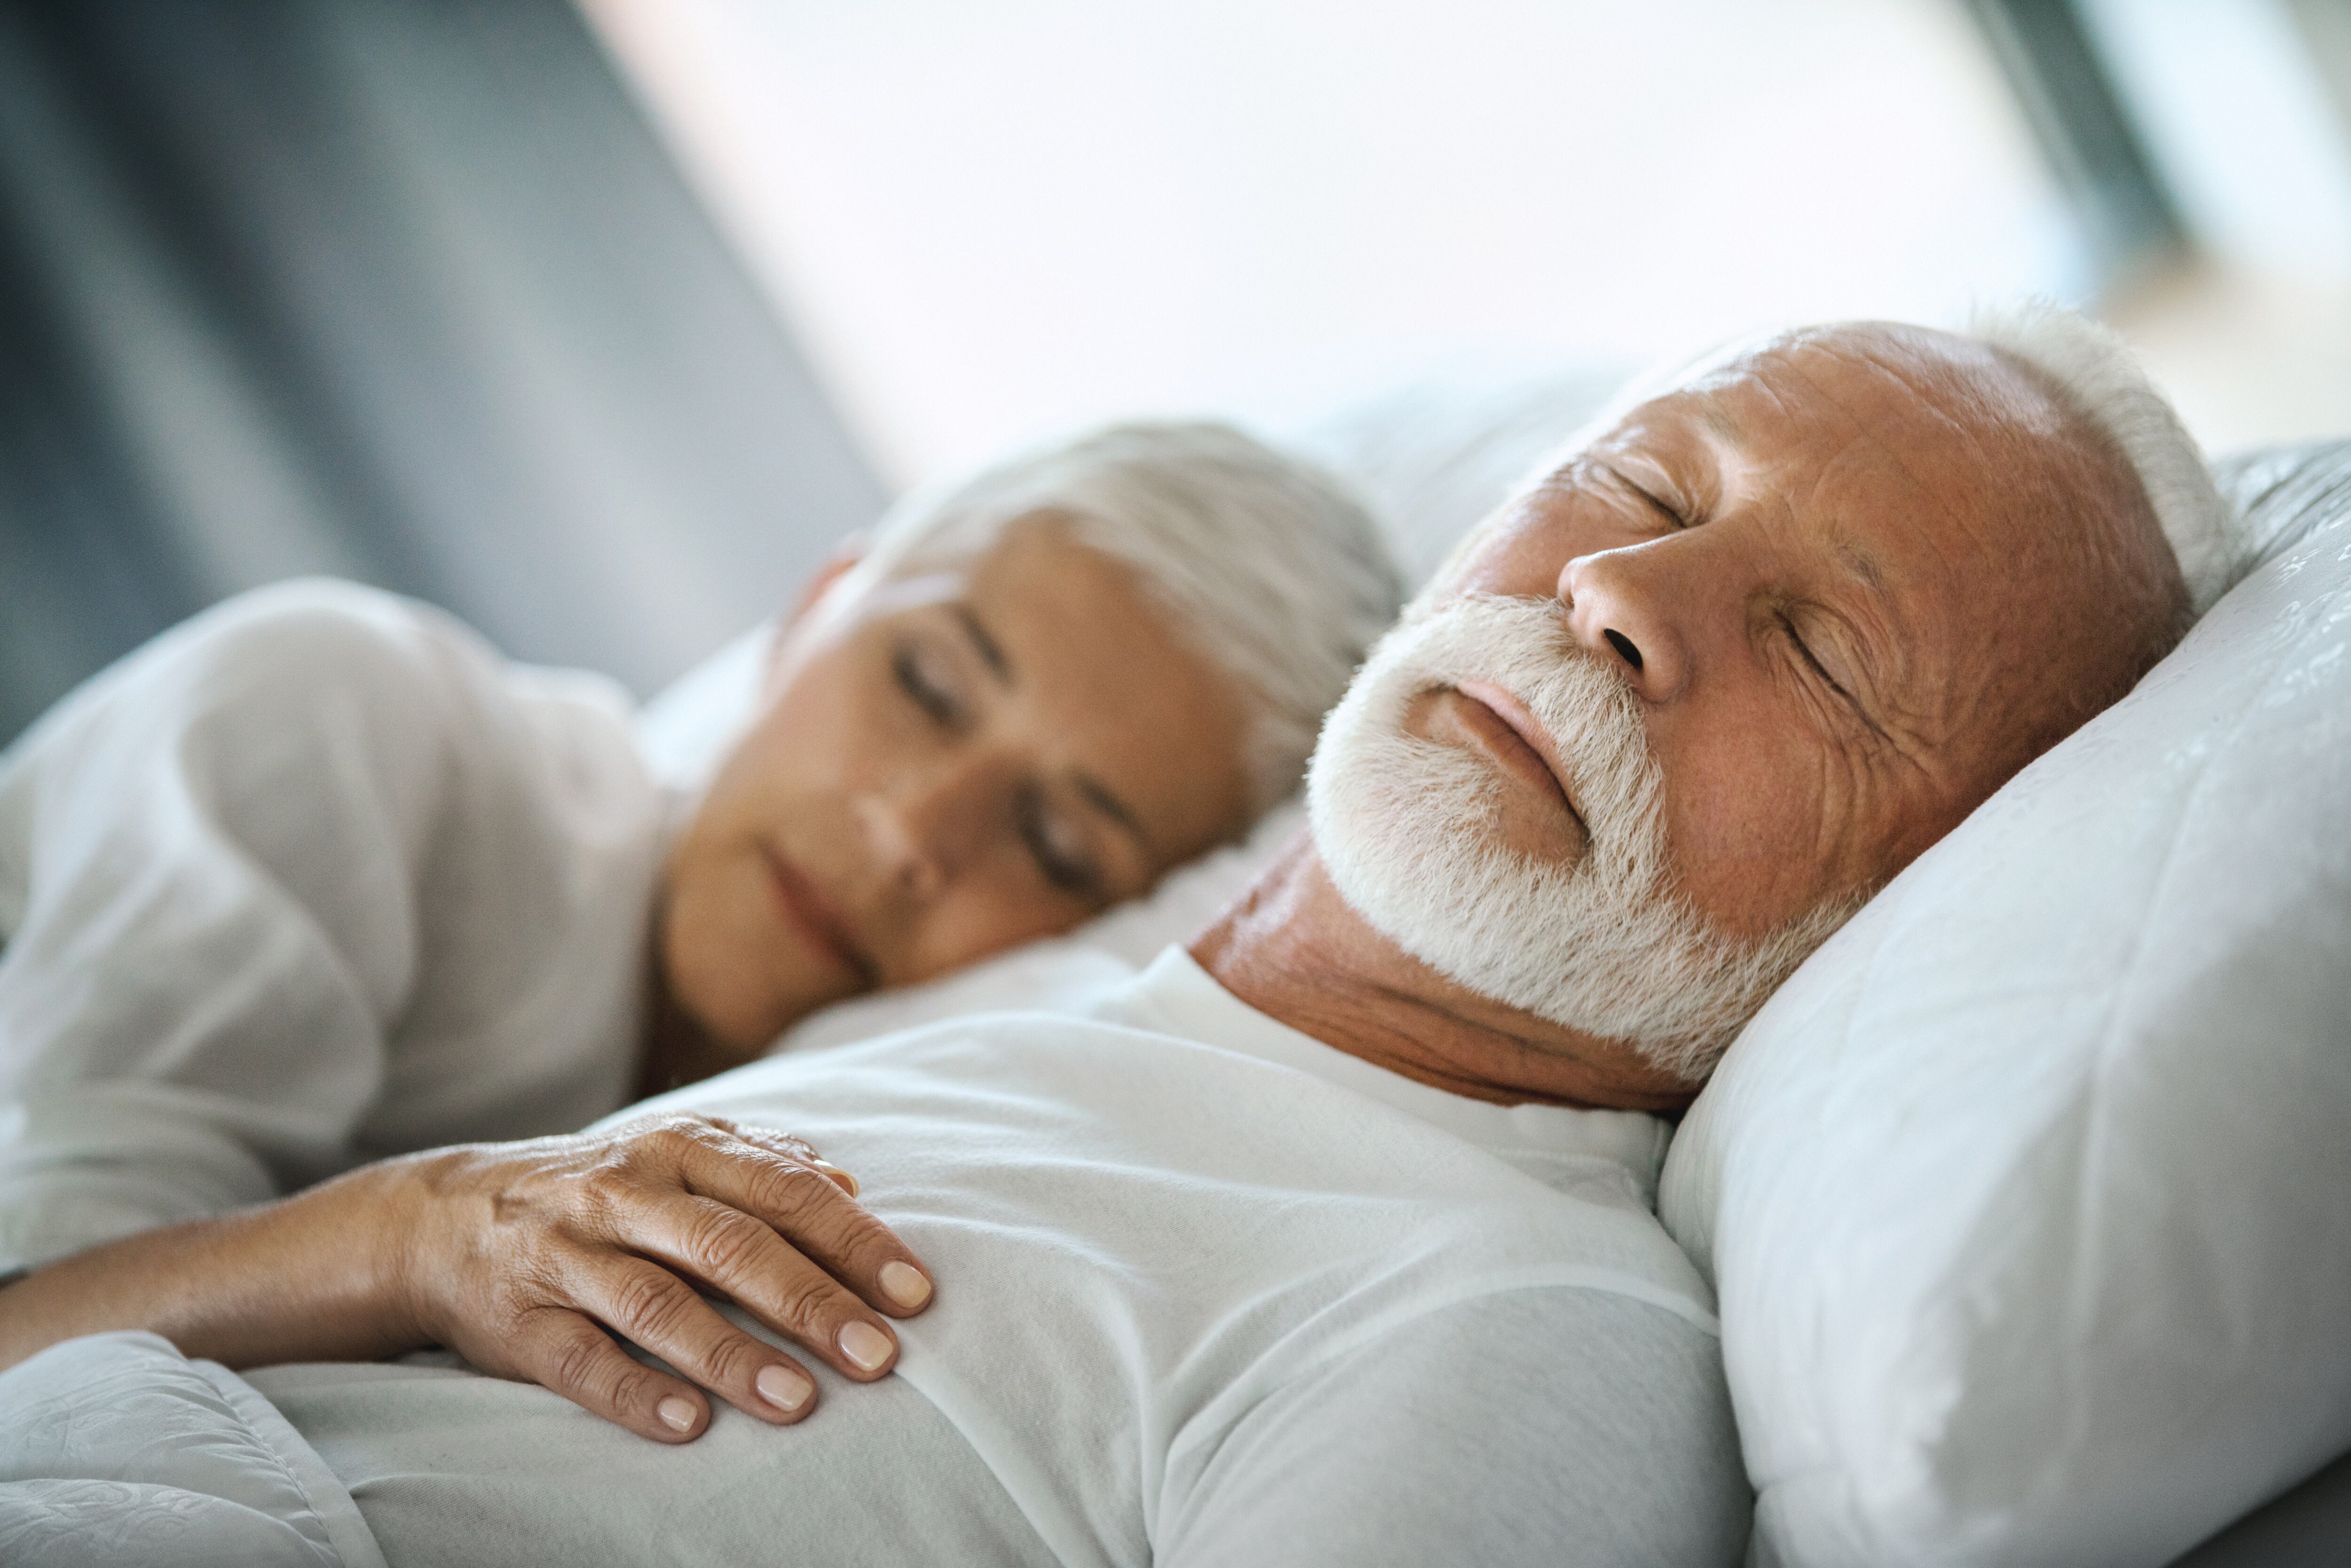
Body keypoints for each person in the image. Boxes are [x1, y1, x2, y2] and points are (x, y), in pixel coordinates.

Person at [0, 306, 2227, 1568]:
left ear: (1921, 873)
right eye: (1640, 491)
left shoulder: (1504, 1317)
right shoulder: (1000, 1021)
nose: (1624, 598)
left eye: (1823, 659)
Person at [0, 419, 1401, 1304]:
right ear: (811, 611)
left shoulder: (875, 1152)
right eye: (925, 682)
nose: (914, 832)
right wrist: (402, 1243)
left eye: (1051, 840)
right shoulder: (344, 715)